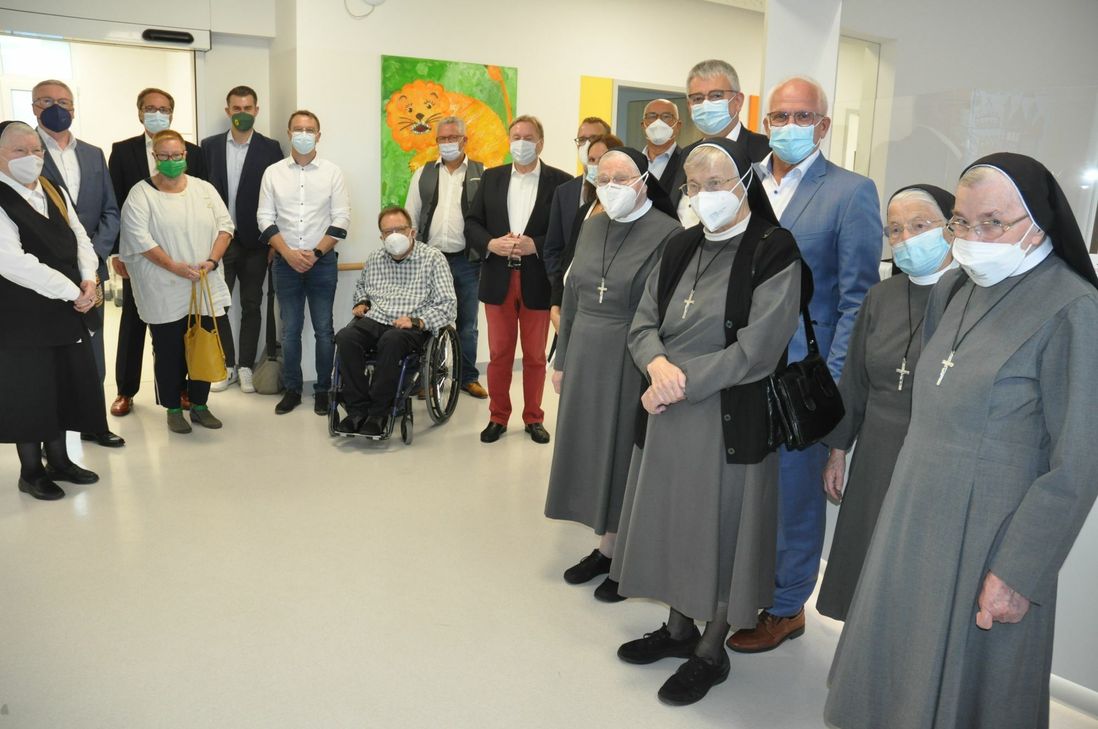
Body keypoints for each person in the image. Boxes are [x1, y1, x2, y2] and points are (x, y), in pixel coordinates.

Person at [825, 156, 1098, 729]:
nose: (972, 238)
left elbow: (1077, 464)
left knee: (973, 686)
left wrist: (1019, 571)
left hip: (989, 531)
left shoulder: (1073, 309)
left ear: (1039, 222)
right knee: (894, 661)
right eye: (960, 222)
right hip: (912, 512)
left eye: (991, 223)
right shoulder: (954, 288)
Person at [611, 140, 802, 706]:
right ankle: (677, 631)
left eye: (718, 183)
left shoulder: (775, 249)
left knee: (719, 531)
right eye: (694, 186)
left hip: (726, 416)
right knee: (675, 523)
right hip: (669, 411)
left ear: (745, 183)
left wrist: (677, 382)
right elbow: (642, 322)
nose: (705, 195)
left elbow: (760, 349)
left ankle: (711, 650)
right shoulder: (679, 245)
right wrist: (657, 365)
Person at [727, 75, 881, 654]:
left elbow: (856, 300)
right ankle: (744, 589)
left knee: (794, 496)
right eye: (779, 117)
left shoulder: (850, 192)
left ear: (824, 124)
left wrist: (834, 387)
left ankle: (788, 606)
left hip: (800, 374)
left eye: (802, 116)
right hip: (740, 364)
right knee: (747, 487)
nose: (789, 127)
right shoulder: (747, 183)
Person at [816, 184, 957, 622]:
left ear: (952, 228)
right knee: (866, 558)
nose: (906, 239)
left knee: (915, 566)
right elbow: (854, 378)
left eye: (919, 226)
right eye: (894, 231)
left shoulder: (972, 297)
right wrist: (838, 450)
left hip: (933, 453)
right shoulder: (881, 296)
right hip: (877, 447)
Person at [545, 147, 680, 602]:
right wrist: (561, 359)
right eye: (603, 179)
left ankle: (624, 555)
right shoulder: (593, 224)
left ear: (643, 181)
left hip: (633, 357)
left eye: (620, 179)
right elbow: (577, 293)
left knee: (624, 452)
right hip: (585, 351)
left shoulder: (669, 233)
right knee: (591, 449)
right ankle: (606, 547)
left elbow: (664, 311)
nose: (610, 187)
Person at [0, 120, 105, 501]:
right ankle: (30, 471)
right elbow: (12, 261)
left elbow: (80, 237)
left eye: (37, 150)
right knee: (30, 392)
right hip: (22, 314)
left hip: (67, 308)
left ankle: (59, 460)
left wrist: (90, 279)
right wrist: (70, 289)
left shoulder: (51, 188)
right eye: (19, 151)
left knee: (64, 384)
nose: (32, 158)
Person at [464, 115, 571, 444]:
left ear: (540, 142)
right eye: (515, 136)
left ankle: (533, 417)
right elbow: (472, 223)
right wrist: (490, 243)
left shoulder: (562, 183)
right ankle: (498, 416)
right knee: (499, 355)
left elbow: (566, 233)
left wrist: (535, 245)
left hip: (538, 280)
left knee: (536, 356)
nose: (520, 143)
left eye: (528, 137)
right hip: (498, 278)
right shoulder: (492, 178)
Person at [119, 130, 232, 434]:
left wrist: (211, 261)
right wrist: (174, 267)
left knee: (202, 344)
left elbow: (225, 227)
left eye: (177, 155)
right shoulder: (140, 194)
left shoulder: (204, 189)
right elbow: (139, 239)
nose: (171, 161)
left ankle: (199, 404)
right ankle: (172, 407)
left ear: (186, 155)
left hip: (204, 283)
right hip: (163, 286)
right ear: (154, 157)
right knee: (168, 349)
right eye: (164, 156)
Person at [32, 79, 124, 448]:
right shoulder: (24, 152)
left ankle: (93, 423)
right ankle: (48, 431)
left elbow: (110, 211)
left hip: (90, 270)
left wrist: (95, 255)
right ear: (35, 107)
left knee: (92, 346)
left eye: (65, 102)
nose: (58, 108)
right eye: (48, 101)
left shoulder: (93, 153)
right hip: (44, 271)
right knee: (49, 351)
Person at [108, 87, 208, 417]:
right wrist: (117, 253)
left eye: (164, 108)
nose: (157, 113)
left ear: (172, 114)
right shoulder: (122, 152)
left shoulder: (192, 152)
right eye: (150, 108)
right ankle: (126, 390)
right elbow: (115, 204)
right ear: (139, 112)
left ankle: (177, 389)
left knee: (176, 327)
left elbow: (203, 205)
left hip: (182, 257)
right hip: (139, 257)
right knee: (134, 322)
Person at [257, 110, 350, 416]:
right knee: (290, 331)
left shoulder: (332, 172)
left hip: (321, 263)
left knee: (324, 330)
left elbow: (342, 218)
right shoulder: (273, 172)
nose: (304, 134)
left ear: (318, 136)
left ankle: (324, 390)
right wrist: (287, 252)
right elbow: (264, 218)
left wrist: (316, 253)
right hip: (285, 263)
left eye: (310, 129)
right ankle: (293, 389)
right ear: (289, 132)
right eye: (298, 128)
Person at [334, 206, 456, 436]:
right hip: (378, 317)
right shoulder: (375, 258)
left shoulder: (432, 259)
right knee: (345, 337)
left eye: (399, 229)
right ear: (381, 236)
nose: (394, 235)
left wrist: (418, 321)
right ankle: (357, 411)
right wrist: (362, 302)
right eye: (387, 231)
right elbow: (363, 287)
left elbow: (448, 305)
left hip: (411, 322)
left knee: (391, 341)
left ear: (412, 231)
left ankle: (379, 413)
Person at [201, 85, 284, 394]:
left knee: (251, 304)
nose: (242, 114)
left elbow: (279, 198)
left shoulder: (271, 148)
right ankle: (226, 365)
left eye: (248, 108)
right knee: (219, 305)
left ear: (256, 111)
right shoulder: (208, 147)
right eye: (236, 109)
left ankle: (247, 365)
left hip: (256, 242)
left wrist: (276, 242)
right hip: (219, 241)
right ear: (228, 112)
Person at [403, 115, 487, 399]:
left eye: (453, 138)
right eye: (442, 138)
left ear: (465, 140)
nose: (447, 143)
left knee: (467, 323)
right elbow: (411, 216)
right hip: (430, 260)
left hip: (467, 260)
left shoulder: (481, 173)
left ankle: (467, 377)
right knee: (427, 322)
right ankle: (426, 379)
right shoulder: (424, 174)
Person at [667, 60, 772, 226]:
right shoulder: (686, 154)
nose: (706, 104)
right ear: (689, 106)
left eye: (716, 96)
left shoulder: (766, 151)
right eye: (698, 98)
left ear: (737, 101)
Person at [543, 116, 611, 329]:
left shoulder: (621, 204)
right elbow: (554, 248)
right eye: (582, 139)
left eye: (593, 138)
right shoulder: (565, 191)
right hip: (568, 294)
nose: (587, 144)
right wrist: (560, 289)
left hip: (602, 299)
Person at [548, 133, 626, 312]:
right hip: (570, 302)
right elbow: (568, 259)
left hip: (602, 306)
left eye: (602, 159)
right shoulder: (586, 210)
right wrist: (555, 304)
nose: (596, 165)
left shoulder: (625, 213)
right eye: (592, 159)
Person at [641, 99, 684, 194]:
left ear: (678, 126)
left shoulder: (687, 161)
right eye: (652, 116)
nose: (658, 122)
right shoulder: (632, 162)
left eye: (666, 117)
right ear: (643, 126)